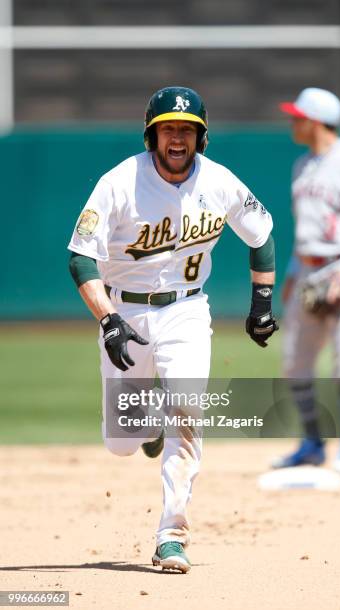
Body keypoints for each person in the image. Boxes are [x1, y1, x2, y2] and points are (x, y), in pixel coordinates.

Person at [68, 86, 277, 573]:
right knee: (122, 440)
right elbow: (81, 255)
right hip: (125, 313)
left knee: (187, 410)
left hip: (187, 312)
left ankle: (171, 535)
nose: (177, 138)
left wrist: (262, 303)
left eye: (186, 129)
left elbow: (261, 235)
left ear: (200, 138)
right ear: (152, 135)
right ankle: (145, 428)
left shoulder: (220, 181)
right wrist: (109, 320)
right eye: (168, 129)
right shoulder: (120, 182)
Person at [273, 87, 340, 474]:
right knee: (295, 361)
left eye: (297, 115)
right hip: (307, 269)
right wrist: (292, 273)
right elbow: (303, 230)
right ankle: (310, 443)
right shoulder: (300, 165)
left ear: (316, 120)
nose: (293, 121)